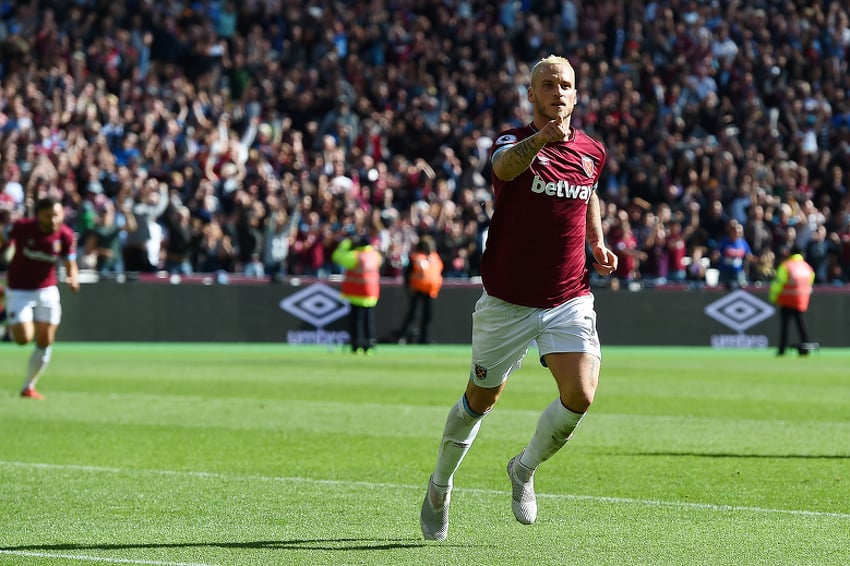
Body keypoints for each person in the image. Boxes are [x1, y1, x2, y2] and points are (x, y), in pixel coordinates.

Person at [419, 55, 618, 542]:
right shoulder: (513, 141)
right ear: (531, 95)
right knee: (479, 400)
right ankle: (439, 487)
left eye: (566, 84)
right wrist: (541, 139)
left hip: (568, 295)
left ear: (576, 94)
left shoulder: (593, 150)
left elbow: (590, 191)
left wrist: (596, 242)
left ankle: (524, 469)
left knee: (582, 393)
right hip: (507, 301)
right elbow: (504, 167)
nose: (558, 91)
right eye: (547, 84)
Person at [0, 197, 80, 399]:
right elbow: (3, 235)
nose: (53, 219)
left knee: (46, 340)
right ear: (39, 215)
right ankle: (14, 319)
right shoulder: (22, 227)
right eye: (48, 215)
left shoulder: (65, 235)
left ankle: (29, 386)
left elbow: (70, 262)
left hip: (47, 289)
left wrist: (73, 278)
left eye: (57, 215)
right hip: (19, 289)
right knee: (23, 339)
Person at [332, 233, 383, 354]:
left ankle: (357, 345)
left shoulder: (355, 256)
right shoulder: (375, 256)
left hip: (357, 294)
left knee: (356, 322)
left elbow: (337, 257)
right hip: (371, 294)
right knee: (369, 322)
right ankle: (369, 345)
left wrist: (346, 244)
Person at [768, 246, 815, 356]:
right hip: (801, 300)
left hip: (786, 299)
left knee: (785, 326)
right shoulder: (807, 267)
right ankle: (805, 348)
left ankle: (782, 349)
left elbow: (778, 283)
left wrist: (773, 297)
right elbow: (810, 282)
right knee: (801, 326)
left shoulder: (786, 266)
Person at [397, 235, 444, 344]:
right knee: (413, 314)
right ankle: (403, 336)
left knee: (428, 316)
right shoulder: (416, 257)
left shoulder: (434, 258)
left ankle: (424, 338)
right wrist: (408, 288)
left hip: (430, 291)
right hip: (417, 290)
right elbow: (408, 275)